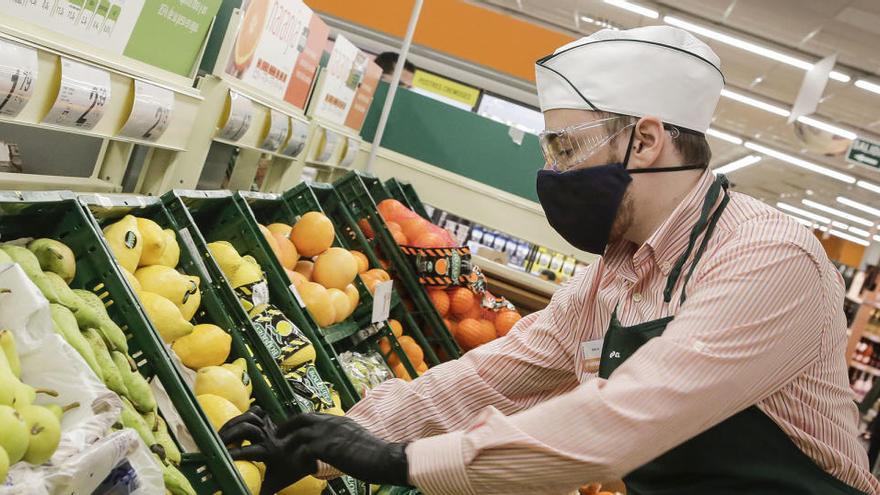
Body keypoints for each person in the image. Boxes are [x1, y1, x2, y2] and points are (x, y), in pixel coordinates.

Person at [220, 26, 880, 495]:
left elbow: (621, 422)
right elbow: (487, 377)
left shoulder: (770, 262)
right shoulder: (616, 273)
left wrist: (402, 460)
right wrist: (331, 438)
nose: (549, 171)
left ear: (645, 141)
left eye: (564, 148)